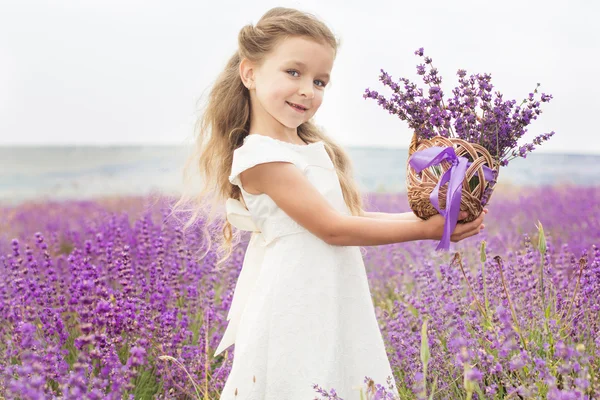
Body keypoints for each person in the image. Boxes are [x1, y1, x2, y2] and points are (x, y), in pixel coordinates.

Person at [173, 6, 487, 400]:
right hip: (297, 298)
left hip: (331, 291)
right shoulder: (261, 157)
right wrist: (425, 230)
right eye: (293, 72)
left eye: (320, 81)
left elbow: (346, 217)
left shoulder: (304, 148)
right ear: (250, 73)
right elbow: (333, 228)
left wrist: (431, 215)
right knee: (303, 378)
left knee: (338, 375)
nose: (308, 89)